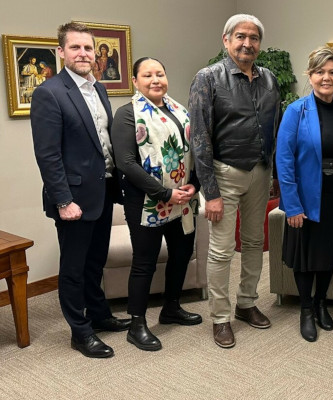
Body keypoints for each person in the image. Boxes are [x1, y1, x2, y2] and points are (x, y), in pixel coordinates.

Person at [30, 22, 130, 359]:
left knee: (95, 261)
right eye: (75, 48)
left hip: (101, 192)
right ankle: (80, 331)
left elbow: (102, 141)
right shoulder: (50, 92)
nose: (84, 54)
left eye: (88, 48)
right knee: (73, 268)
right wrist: (63, 200)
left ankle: (99, 315)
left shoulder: (98, 89)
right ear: (61, 52)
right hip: (72, 199)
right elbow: (47, 154)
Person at [189, 13, 280, 349]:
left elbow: (274, 127)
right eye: (240, 36)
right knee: (222, 250)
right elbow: (199, 136)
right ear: (226, 40)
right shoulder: (207, 78)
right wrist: (209, 192)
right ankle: (220, 317)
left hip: (259, 172)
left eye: (253, 38)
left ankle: (246, 303)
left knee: (255, 242)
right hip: (224, 174)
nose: (247, 43)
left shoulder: (270, 79)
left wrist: (272, 175)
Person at [111, 57, 203, 352]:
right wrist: (165, 194)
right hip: (147, 202)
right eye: (147, 75)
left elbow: (194, 150)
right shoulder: (127, 115)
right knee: (144, 263)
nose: (155, 80)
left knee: (181, 254)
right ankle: (137, 325)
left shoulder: (180, 111)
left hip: (183, 200)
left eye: (160, 74)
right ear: (135, 82)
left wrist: (194, 184)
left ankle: (171, 308)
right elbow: (125, 163)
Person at [276, 46, 333, 342]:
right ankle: (305, 309)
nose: (326, 78)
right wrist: (291, 206)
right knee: (306, 257)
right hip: (306, 196)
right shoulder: (296, 111)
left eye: (332, 72)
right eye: (320, 72)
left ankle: (321, 302)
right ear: (310, 75)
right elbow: (284, 161)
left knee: (328, 254)